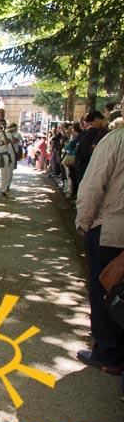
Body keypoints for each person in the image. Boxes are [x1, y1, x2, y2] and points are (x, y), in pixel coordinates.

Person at [75, 125, 124, 376]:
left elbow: (92, 185)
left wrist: (83, 222)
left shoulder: (115, 140)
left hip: (111, 229)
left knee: (104, 288)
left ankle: (107, 352)